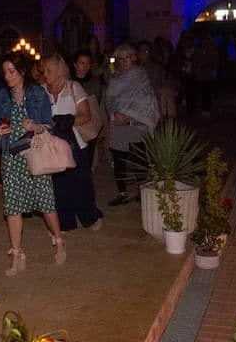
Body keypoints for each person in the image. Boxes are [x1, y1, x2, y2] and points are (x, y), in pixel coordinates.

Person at [0, 52, 66, 275]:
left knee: (46, 202)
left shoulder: (37, 94)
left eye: (12, 72)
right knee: (12, 207)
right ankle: (16, 253)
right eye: (5, 72)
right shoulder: (3, 97)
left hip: (35, 154)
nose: (8, 76)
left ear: (22, 71)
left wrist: (35, 126)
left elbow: (49, 126)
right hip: (11, 159)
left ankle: (59, 240)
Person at [42, 53, 102, 232]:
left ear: (59, 70)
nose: (45, 74)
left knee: (80, 183)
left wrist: (67, 122)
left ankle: (89, 216)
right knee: (58, 186)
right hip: (51, 146)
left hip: (74, 145)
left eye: (48, 70)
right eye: (43, 70)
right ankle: (65, 220)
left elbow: (86, 115)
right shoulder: (41, 90)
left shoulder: (73, 87)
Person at [102, 43, 160, 206]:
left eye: (126, 58)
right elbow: (110, 100)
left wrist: (130, 118)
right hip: (118, 125)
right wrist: (114, 113)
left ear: (133, 58)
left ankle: (143, 193)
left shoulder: (141, 77)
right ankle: (122, 193)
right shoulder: (115, 78)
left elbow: (148, 103)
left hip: (136, 126)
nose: (122, 62)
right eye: (119, 59)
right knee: (119, 161)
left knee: (139, 161)